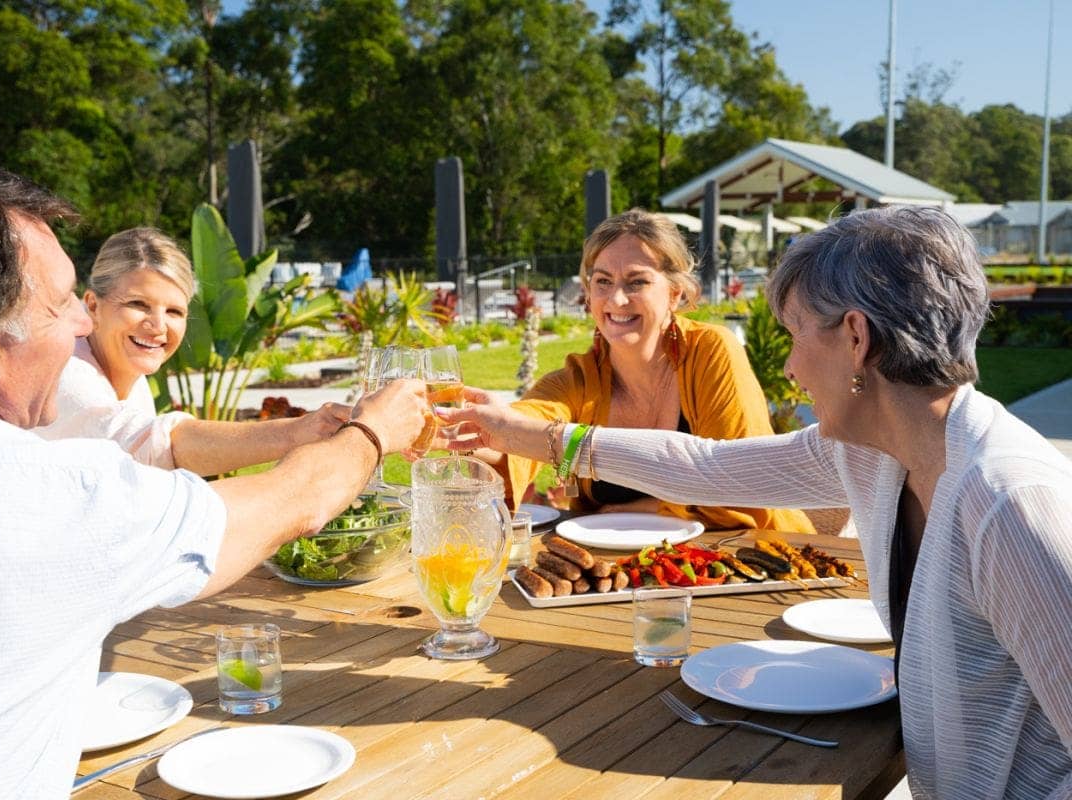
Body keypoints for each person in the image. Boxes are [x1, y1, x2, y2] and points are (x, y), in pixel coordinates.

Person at [442, 206, 1072, 799]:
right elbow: (709, 468)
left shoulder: (1007, 505)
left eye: (797, 334)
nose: (791, 368)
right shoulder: (875, 450)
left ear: (856, 337)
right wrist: (541, 437)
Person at [0, 162, 428, 796]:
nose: (82, 329)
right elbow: (291, 502)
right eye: (61, 308)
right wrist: (374, 432)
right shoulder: (43, 494)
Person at [481, 209, 813, 533]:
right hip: (622, 574)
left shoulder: (712, 350)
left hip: (761, 558)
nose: (617, 299)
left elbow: (738, 481)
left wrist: (651, 509)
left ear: (674, 292)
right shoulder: (579, 379)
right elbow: (525, 425)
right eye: (603, 282)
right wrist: (475, 434)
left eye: (636, 281)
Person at [35, 227, 347, 475]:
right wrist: (300, 431)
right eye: (137, 304)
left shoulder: (127, 373)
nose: (157, 326)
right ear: (93, 305)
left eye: (174, 311)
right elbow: (159, 445)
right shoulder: (70, 375)